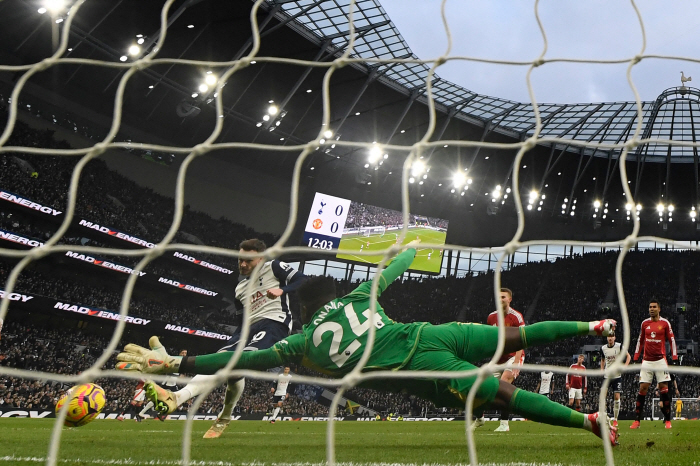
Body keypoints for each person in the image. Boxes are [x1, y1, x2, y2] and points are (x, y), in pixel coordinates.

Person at [117, 245, 619, 446]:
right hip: (434, 331)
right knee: (519, 334)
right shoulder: (358, 293)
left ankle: (589, 422)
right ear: (332, 295)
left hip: (420, 368)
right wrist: (413, 247)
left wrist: (179, 361)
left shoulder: (300, 344)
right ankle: (594, 326)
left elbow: (240, 359)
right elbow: (390, 272)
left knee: (501, 395)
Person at [146, 239, 307, 438]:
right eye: (241, 260)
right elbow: (241, 320)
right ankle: (194, 405)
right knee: (223, 363)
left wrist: (283, 290)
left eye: (248, 260)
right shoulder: (240, 289)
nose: (243, 264)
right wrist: (235, 339)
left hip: (274, 323)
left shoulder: (273, 267)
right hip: (247, 330)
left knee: (238, 363)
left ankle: (183, 395)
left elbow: (302, 279)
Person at [472, 288, 525, 432]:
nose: (500, 299)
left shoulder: (516, 317)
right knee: (478, 386)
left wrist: (516, 362)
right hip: (497, 359)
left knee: (503, 384)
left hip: (513, 356)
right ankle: (480, 418)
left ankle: (504, 424)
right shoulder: (491, 317)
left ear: (509, 299)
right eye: (498, 297)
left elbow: (523, 341)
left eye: (503, 297)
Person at [630, 299, 677, 430]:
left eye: (654, 307)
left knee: (664, 389)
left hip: (660, 360)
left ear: (659, 309)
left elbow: (671, 339)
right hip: (647, 360)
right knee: (642, 388)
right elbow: (640, 340)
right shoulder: (644, 323)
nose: (651, 309)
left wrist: (674, 357)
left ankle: (668, 420)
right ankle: (637, 421)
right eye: (650, 307)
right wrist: (636, 356)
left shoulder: (665, 323)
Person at [139, 349, 188, 421]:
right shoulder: (174, 359)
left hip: (173, 385)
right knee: (157, 399)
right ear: (179, 353)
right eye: (183, 353)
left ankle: (161, 414)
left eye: (185, 353)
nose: (184, 354)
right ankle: (142, 413)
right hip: (167, 384)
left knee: (175, 400)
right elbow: (167, 368)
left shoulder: (183, 362)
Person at [600, 332, 630, 427]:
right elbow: (602, 360)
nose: (610, 338)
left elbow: (628, 356)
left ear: (614, 338)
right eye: (609, 337)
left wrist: (625, 366)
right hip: (607, 376)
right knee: (603, 396)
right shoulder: (603, 348)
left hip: (617, 376)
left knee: (616, 397)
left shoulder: (619, 346)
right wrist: (602, 370)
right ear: (607, 338)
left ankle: (616, 419)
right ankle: (603, 417)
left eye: (612, 337)